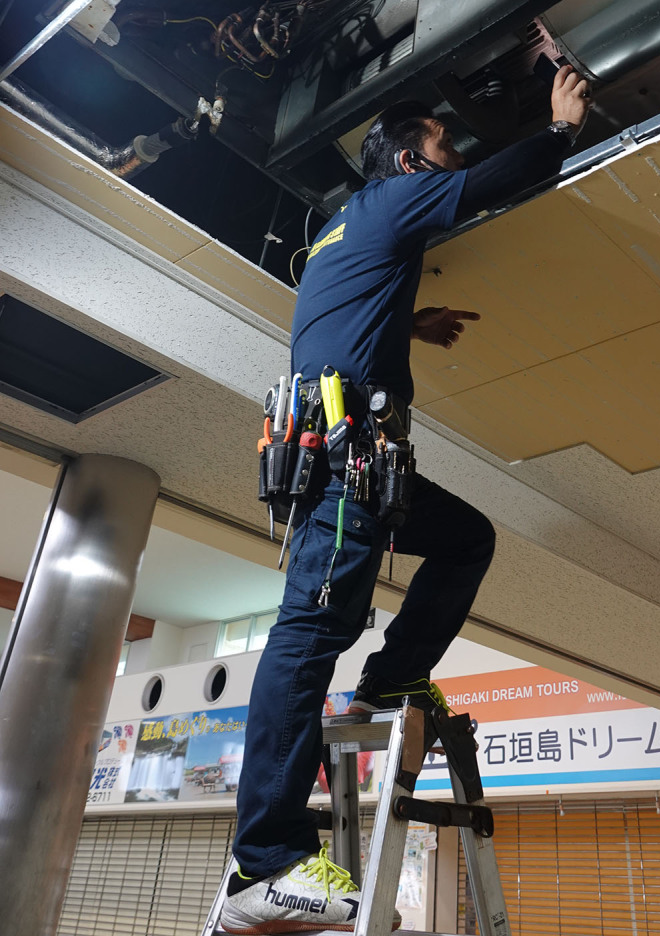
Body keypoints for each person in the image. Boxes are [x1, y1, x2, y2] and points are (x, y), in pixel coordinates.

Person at [220, 65, 592, 935]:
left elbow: (340, 317)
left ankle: (388, 684)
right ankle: (264, 865)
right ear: (408, 162)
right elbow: (493, 181)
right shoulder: (392, 201)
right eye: (440, 142)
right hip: (345, 466)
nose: (451, 151)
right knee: (308, 636)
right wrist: (560, 129)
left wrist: (405, 321)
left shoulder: (339, 231)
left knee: (464, 537)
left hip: (351, 462)